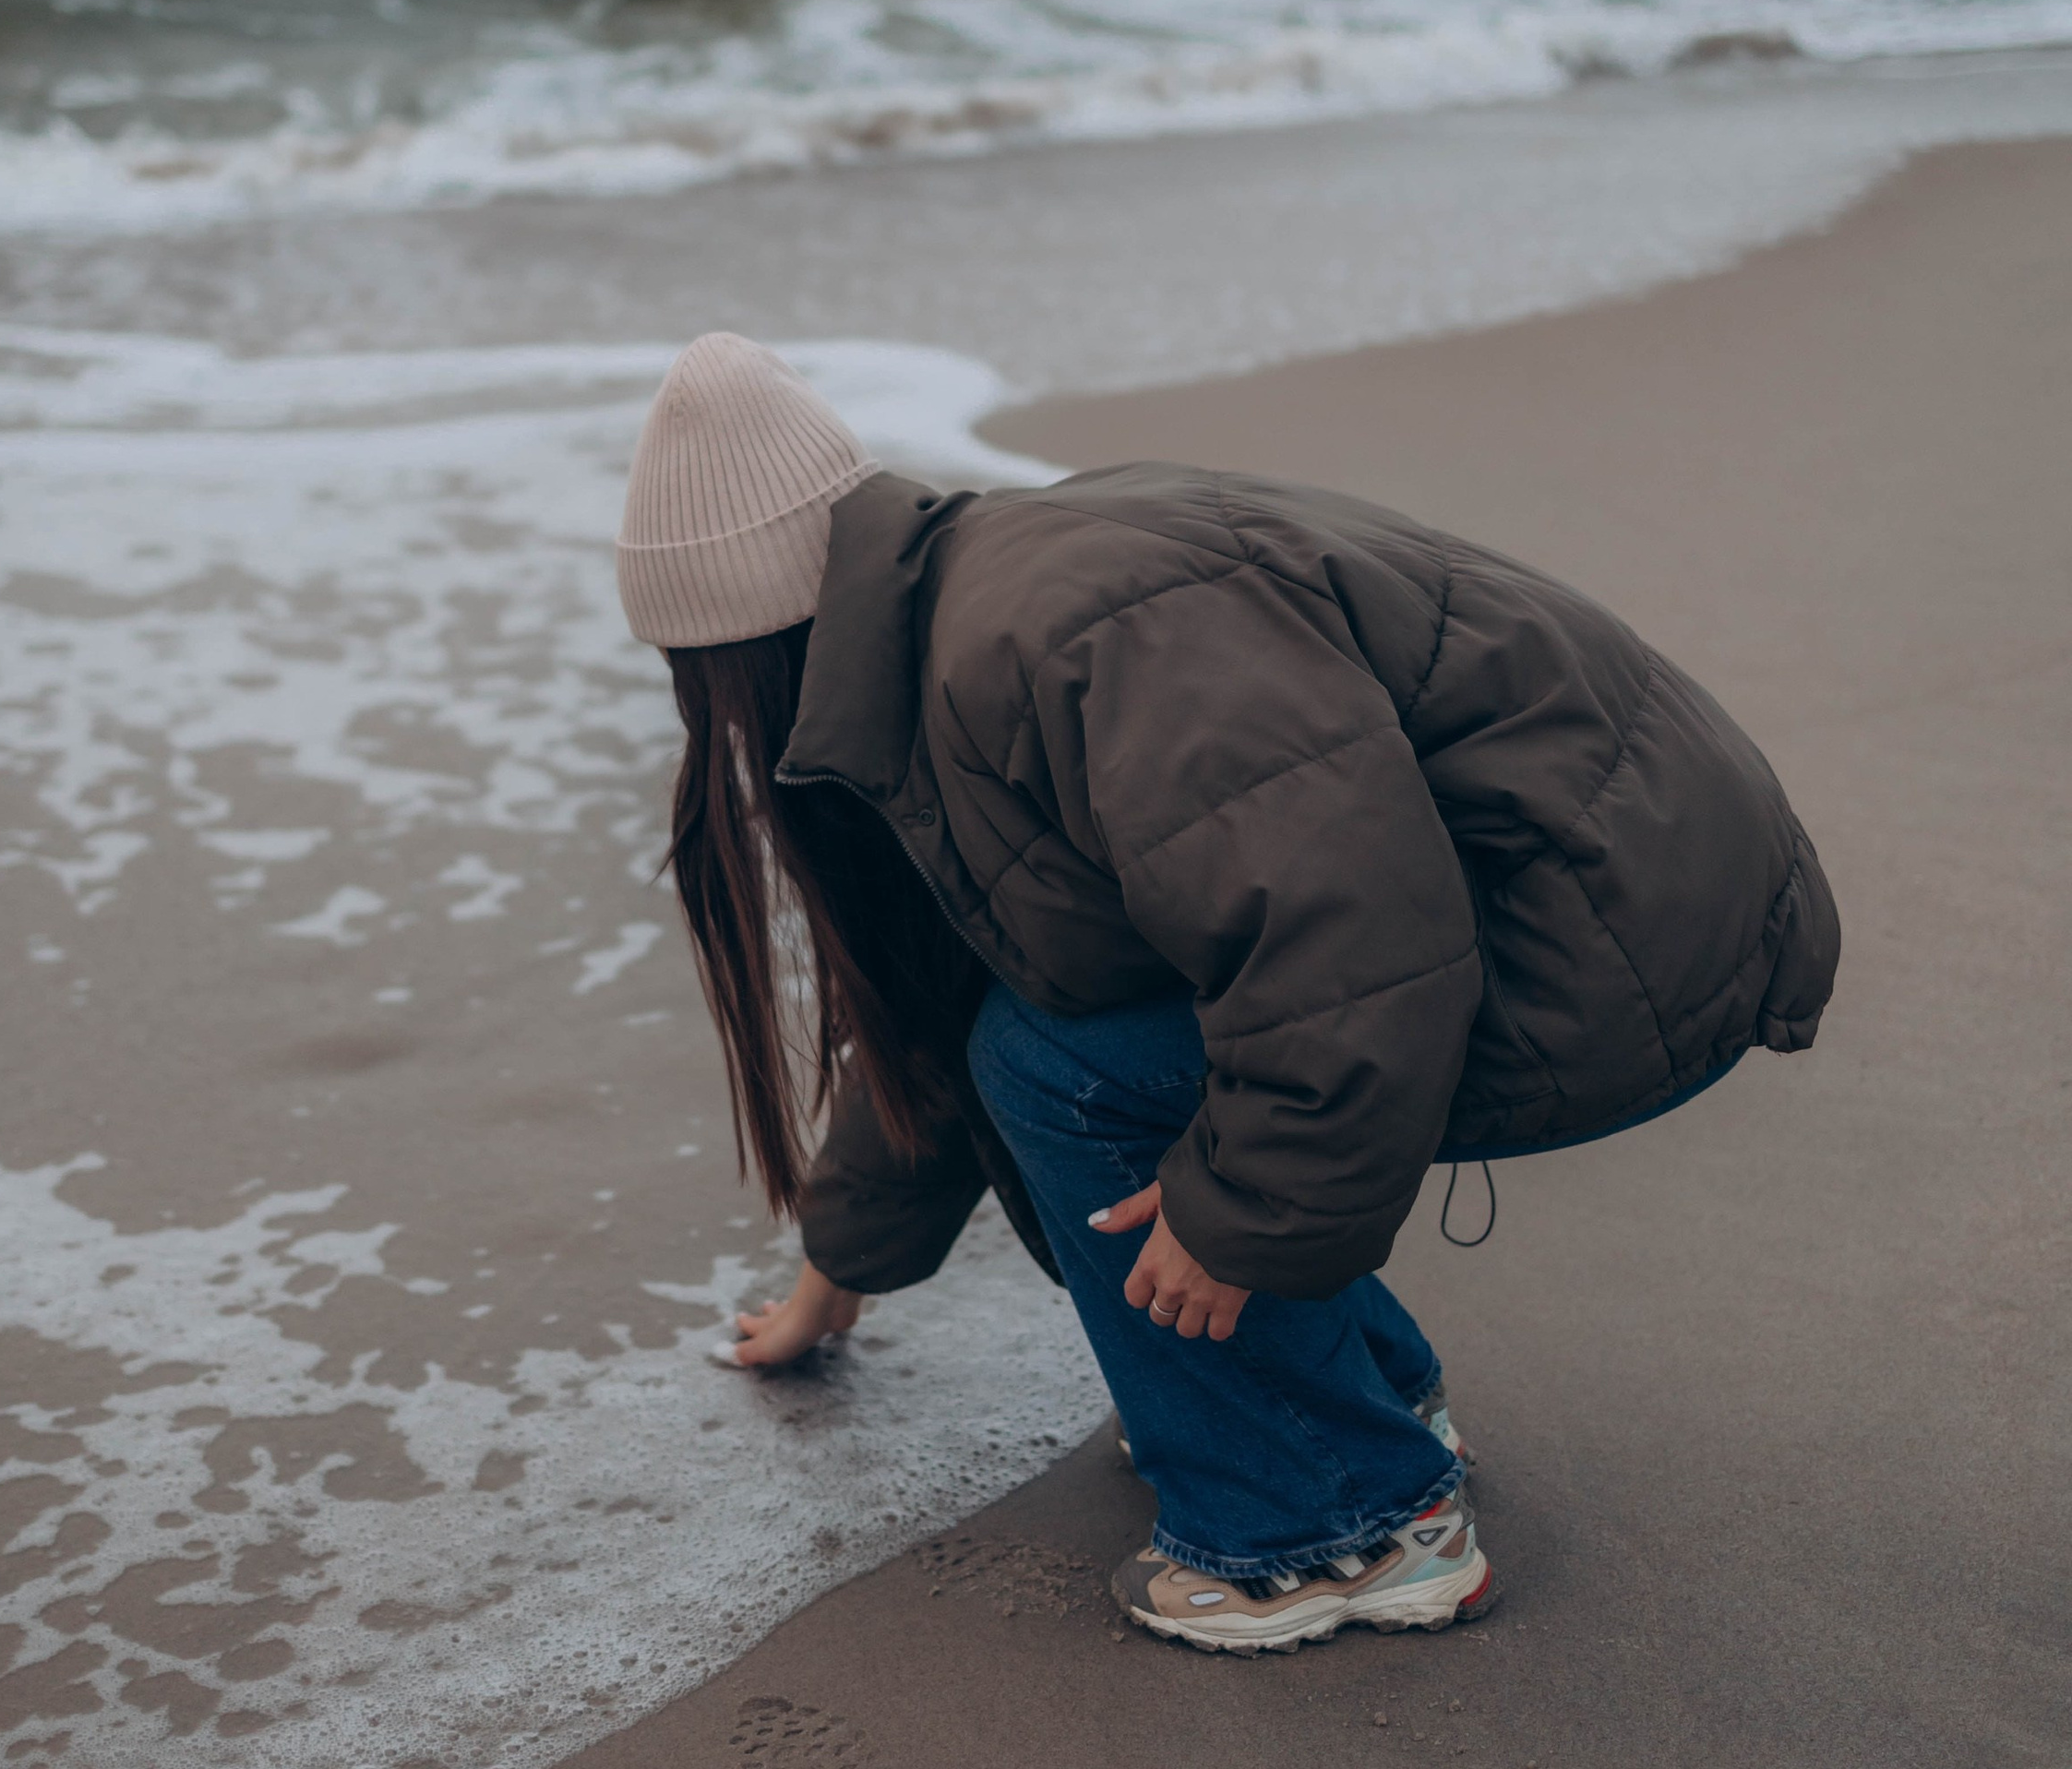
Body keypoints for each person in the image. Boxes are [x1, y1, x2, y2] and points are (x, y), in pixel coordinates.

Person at [617, 333, 1838, 1655]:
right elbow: (946, 998)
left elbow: (1348, 930)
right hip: (1563, 892)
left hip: (1622, 932)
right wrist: (839, 1266)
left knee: (1061, 1069)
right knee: (1042, 1035)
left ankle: (1340, 1527)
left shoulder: (1052, 635)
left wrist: (1242, 1212)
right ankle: (1373, 1399)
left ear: (741, 652)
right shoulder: (950, 616)